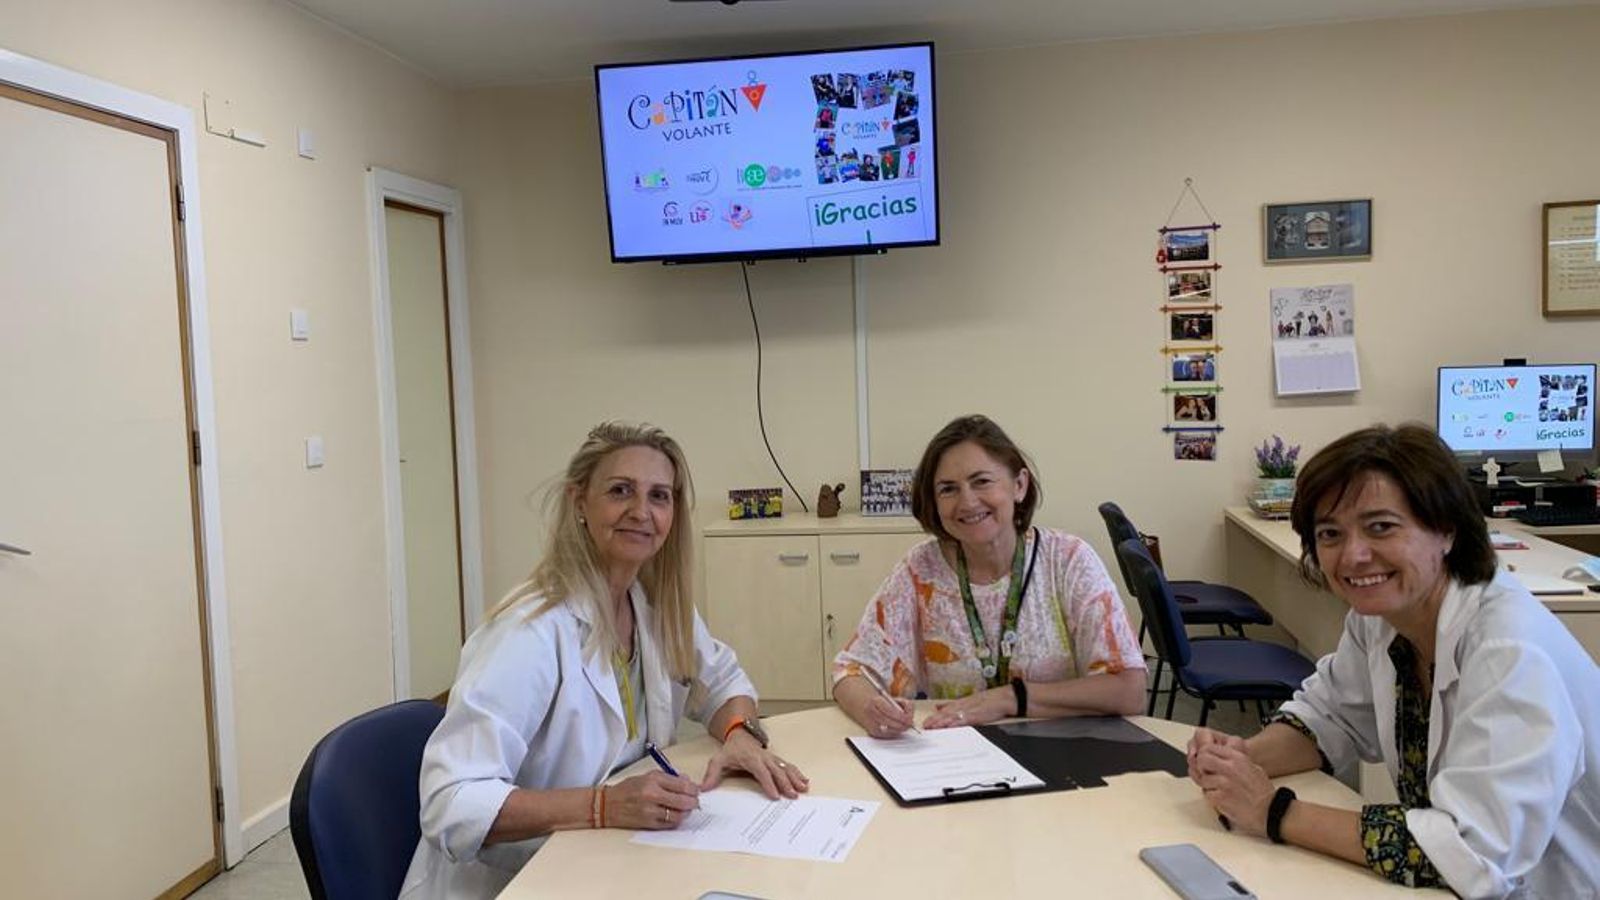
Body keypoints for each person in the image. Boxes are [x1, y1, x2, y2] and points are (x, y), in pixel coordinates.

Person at [1187, 424, 1600, 897]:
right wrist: (1238, 761)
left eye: (1381, 527)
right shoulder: (1383, 617)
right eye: (1330, 534)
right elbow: (1332, 717)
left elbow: (1471, 853)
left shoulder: (1509, 650)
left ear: (1446, 530)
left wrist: (1272, 811)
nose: (1354, 556)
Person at [402, 422, 807, 899]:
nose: (641, 512)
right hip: (514, 883)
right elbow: (450, 802)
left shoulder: (652, 606)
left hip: (613, 862)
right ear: (579, 502)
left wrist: (739, 734)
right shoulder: (529, 631)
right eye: (620, 491)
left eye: (659, 496)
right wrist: (602, 806)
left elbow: (723, 682)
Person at [832, 414, 1145, 737]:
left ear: (1019, 485)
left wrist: (1010, 699)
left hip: (1063, 752)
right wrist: (873, 710)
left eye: (981, 481)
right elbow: (849, 672)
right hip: (957, 754)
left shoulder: (1068, 561)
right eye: (948, 489)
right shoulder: (920, 571)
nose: (967, 502)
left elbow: (1129, 689)